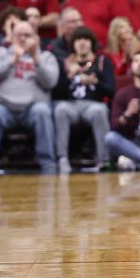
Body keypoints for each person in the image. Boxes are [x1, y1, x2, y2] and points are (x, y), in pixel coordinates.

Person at [0, 21, 59, 174]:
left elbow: (51, 82)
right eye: (19, 35)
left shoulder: (46, 56)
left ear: (36, 38)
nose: (24, 39)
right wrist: (12, 60)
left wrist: (36, 59)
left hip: (33, 108)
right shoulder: (0, 53)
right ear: (12, 37)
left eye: (28, 35)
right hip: (4, 107)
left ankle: (48, 164)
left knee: (42, 112)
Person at [53, 26, 115, 173]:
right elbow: (56, 92)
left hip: (93, 104)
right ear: (73, 44)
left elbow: (112, 90)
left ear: (91, 43)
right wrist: (68, 77)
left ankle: (104, 159)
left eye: (86, 40)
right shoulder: (66, 63)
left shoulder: (101, 62)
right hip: (70, 104)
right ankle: (62, 159)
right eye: (78, 40)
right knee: (60, 109)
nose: (82, 43)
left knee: (99, 111)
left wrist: (95, 83)